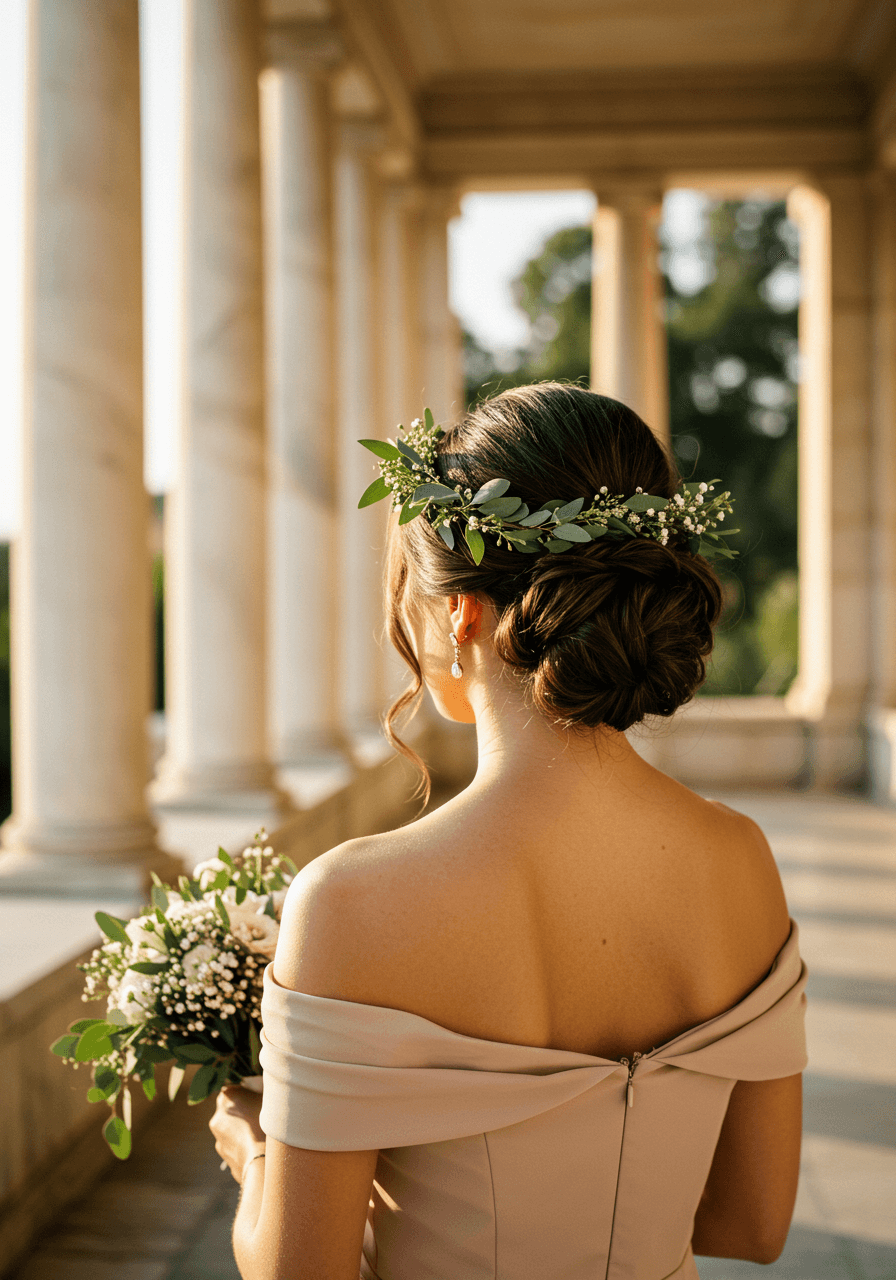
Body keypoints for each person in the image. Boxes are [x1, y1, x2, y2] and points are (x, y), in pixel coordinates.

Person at [210, 383, 807, 1280]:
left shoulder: (350, 903)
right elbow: (751, 1225)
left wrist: (254, 1152)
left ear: (461, 615)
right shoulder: (742, 861)